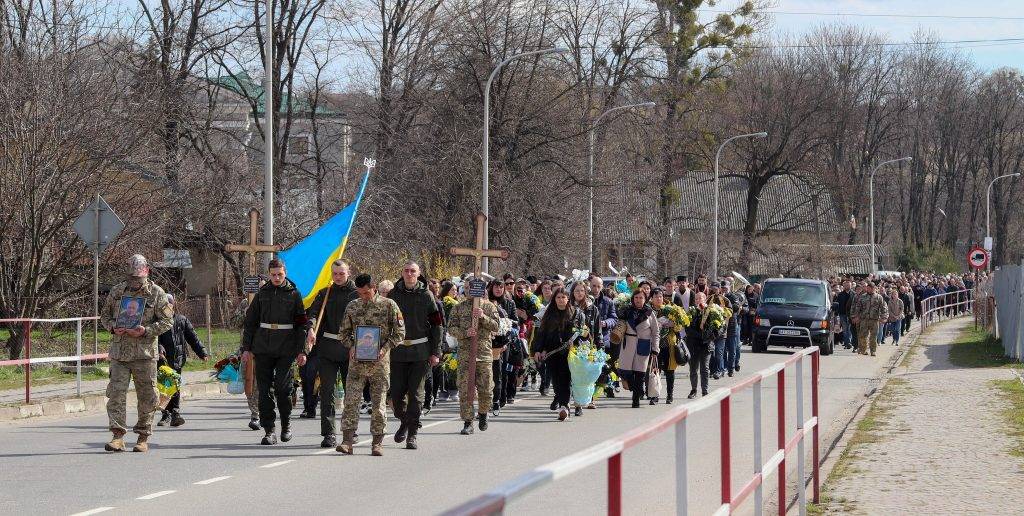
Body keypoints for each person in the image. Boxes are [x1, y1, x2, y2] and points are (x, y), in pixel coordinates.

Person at [101, 255, 174, 452]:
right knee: (116, 393)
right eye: (132, 279)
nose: (135, 283)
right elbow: (105, 316)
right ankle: (117, 436)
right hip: (120, 353)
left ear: (146, 272)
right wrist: (112, 327)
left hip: (144, 354)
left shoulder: (157, 293)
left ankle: (143, 437)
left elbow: (168, 321)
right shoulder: (117, 292)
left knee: (147, 396)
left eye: (139, 279)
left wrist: (146, 330)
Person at [242, 258, 311, 446]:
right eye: (273, 275)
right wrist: (246, 349)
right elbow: (250, 323)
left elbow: (301, 325)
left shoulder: (294, 294)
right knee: (264, 391)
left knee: (282, 388)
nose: (277, 278)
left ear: (285, 273)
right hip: (263, 347)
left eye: (280, 274)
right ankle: (269, 430)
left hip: (286, 348)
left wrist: (301, 351)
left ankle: (286, 425)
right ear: (269, 274)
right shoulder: (262, 294)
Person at [336, 274, 405, 456]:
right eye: (359, 293)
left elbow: (399, 332)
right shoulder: (353, 306)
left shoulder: (389, 305)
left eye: (366, 293)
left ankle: (377, 442)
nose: (363, 296)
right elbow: (343, 333)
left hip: (379, 363)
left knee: (378, 403)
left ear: (373, 287)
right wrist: (351, 346)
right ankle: (347, 441)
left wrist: (385, 348)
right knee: (351, 401)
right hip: (357, 363)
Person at [387, 261, 443, 450]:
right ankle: (404, 421)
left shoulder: (427, 296)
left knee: (416, 395)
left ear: (418, 274)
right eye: (406, 271)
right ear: (402, 273)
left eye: (413, 271)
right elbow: (385, 323)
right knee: (396, 395)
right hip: (398, 352)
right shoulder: (393, 295)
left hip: (420, 352)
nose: (409, 274)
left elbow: (437, 325)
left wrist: (436, 352)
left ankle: (412, 434)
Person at [304, 259, 359, 448]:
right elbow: (313, 314)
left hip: (350, 348)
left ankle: (351, 430)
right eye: (334, 274)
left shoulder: (357, 293)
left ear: (348, 272)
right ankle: (329, 434)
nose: (337, 277)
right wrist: (311, 328)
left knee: (351, 392)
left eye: (341, 273)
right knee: (327, 392)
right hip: (327, 348)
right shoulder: (325, 293)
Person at [447, 290, 501, 435]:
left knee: (486, 389)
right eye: (469, 288)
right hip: (465, 354)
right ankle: (468, 422)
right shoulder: (458, 307)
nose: (473, 291)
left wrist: (483, 317)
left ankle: (483, 413)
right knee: (465, 389)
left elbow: (496, 326)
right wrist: (465, 333)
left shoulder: (489, 307)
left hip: (483, 353)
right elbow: (451, 328)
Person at [157, 294, 209, 428]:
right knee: (165, 387)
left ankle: (175, 412)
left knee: (175, 385)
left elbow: (193, 337)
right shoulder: (157, 322)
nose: (167, 306)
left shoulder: (181, 320)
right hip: (162, 361)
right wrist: (159, 348)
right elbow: (154, 338)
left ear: (173, 304)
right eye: (164, 304)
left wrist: (202, 352)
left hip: (178, 359)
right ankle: (166, 413)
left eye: (169, 304)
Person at [533, 287, 584, 420]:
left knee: (566, 379)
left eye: (563, 297)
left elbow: (583, 333)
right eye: (558, 297)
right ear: (554, 299)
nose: (561, 300)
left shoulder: (576, 313)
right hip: (552, 352)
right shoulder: (548, 314)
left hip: (570, 353)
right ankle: (561, 400)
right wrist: (538, 349)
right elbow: (541, 334)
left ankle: (564, 406)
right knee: (556, 381)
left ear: (568, 299)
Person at [617, 290, 660, 409]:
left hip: (643, 344)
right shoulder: (626, 311)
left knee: (640, 374)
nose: (638, 300)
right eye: (636, 297)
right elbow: (619, 325)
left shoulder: (650, 313)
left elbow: (656, 332)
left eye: (641, 297)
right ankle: (636, 389)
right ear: (632, 299)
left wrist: (655, 348)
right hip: (628, 345)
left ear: (645, 299)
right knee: (625, 372)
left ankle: (635, 401)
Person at [569, 280, 600, 413]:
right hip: (572, 346)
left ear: (586, 292)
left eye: (582, 290)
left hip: (588, 346)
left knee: (588, 374)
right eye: (577, 291)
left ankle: (589, 398)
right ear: (573, 292)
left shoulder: (593, 308)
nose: (579, 293)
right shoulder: (568, 307)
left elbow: (597, 330)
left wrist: (600, 346)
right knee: (575, 376)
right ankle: (577, 404)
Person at [652, 288, 683, 404]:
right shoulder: (649, 310)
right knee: (655, 371)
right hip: (655, 345)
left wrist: (672, 324)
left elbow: (680, 325)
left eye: (660, 296)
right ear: (652, 298)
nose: (658, 299)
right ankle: (654, 395)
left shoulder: (671, 308)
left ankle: (670, 395)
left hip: (669, 344)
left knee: (670, 371)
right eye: (656, 297)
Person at [685, 292, 718, 398]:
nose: (699, 300)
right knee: (693, 369)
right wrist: (700, 335)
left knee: (705, 368)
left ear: (705, 300)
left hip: (706, 344)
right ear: (695, 301)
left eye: (701, 298)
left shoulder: (712, 312)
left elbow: (720, 326)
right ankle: (694, 389)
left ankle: (705, 390)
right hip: (693, 344)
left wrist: (713, 335)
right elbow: (687, 328)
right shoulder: (691, 311)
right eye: (697, 299)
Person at [850, 282, 888, 356]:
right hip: (864, 319)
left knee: (873, 336)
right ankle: (863, 349)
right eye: (868, 288)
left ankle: (873, 350)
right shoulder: (862, 297)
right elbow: (857, 307)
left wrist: (884, 317)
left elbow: (884, 308)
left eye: (870, 288)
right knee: (863, 336)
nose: (868, 289)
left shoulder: (879, 297)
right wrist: (855, 317)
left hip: (874, 319)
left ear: (874, 288)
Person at [835, 281, 854, 349]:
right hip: (842, 314)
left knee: (849, 329)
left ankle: (849, 342)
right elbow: (837, 304)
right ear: (844, 286)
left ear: (851, 286)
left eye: (848, 285)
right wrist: (837, 313)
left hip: (850, 314)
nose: (847, 286)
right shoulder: (840, 294)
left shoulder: (853, 294)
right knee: (845, 329)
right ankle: (847, 343)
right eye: (846, 285)